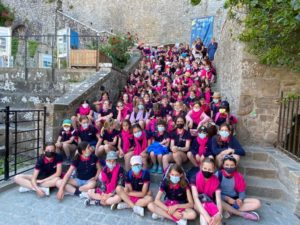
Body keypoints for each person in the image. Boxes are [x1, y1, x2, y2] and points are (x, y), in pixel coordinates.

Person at [216, 155, 261, 221]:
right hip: (222, 199)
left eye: (232, 165)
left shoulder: (238, 176)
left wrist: (240, 199)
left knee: (257, 203)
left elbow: (241, 191)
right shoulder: (218, 175)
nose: (229, 167)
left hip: (235, 200)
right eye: (227, 165)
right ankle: (238, 212)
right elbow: (213, 193)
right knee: (218, 201)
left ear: (235, 166)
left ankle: (230, 210)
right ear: (223, 165)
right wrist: (227, 198)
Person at [191, 158, 222, 225]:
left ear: (213, 170)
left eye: (210, 169)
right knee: (204, 210)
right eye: (205, 168)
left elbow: (218, 199)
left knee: (216, 217)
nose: (207, 171)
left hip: (210, 202)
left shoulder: (216, 181)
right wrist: (207, 216)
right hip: (197, 204)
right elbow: (195, 198)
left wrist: (219, 214)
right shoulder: (194, 178)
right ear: (201, 167)